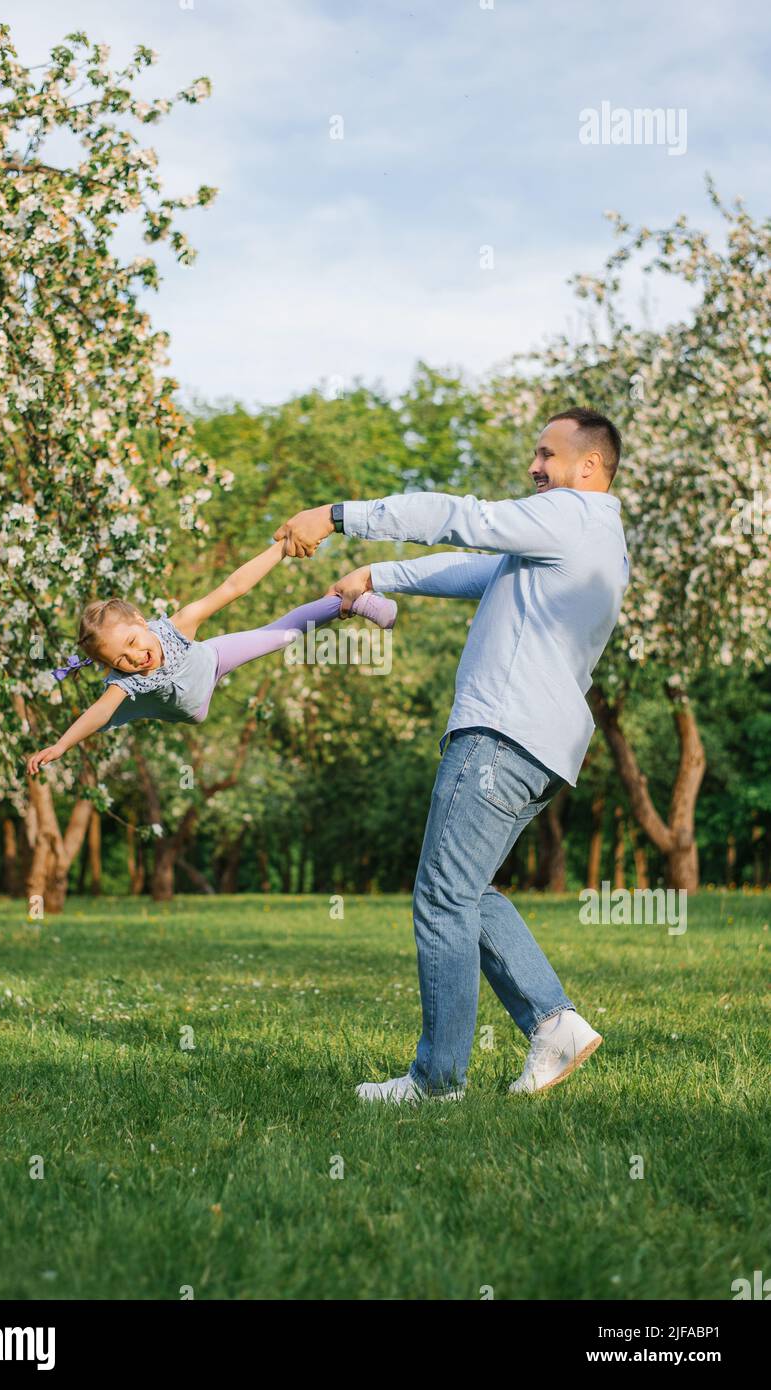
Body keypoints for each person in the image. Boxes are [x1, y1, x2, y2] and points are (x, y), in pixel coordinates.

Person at [275, 407, 630, 1101]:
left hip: (500, 733)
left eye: (546, 455)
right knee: (465, 890)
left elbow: (455, 516)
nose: (534, 467)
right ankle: (554, 1024)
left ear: (587, 467)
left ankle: (436, 1079)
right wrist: (379, 576)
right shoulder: (592, 540)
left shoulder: (568, 515)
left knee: (440, 897)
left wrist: (336, 515)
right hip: (541, 745)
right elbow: (477, 572)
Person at [26, 540, 396, 776]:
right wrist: (61, 745)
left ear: (142, 621)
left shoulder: (179, 625)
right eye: (120, 659)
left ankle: (347, 600)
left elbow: (233, 586)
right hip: (177, 706)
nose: (135, 657)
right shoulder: (127, 681)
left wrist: (278, 549)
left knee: (281, 634)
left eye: (134, 642)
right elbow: (99, 712)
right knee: (111, 711)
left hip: (212, 659)